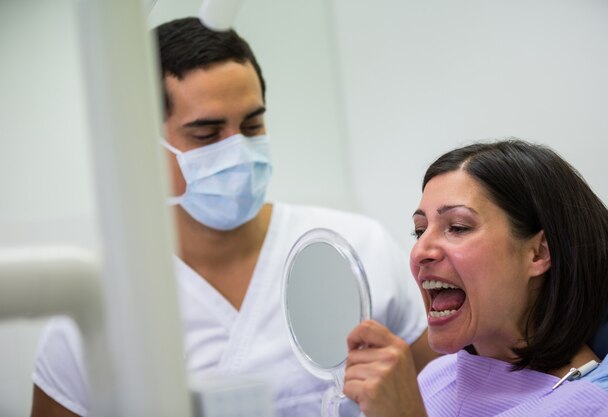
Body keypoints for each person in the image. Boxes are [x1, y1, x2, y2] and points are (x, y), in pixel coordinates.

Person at [30, 17, 437, 417]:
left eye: (252, 124)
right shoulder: (94, 312)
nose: (238, 150)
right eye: (206, 134)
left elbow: (444, 397)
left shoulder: (358, 247)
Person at [343, 139, 608, 416]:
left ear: (538, 254)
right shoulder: (438, 375)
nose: (420, 251)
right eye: (419, 231)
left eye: (457, 227)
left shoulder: (600, 404)